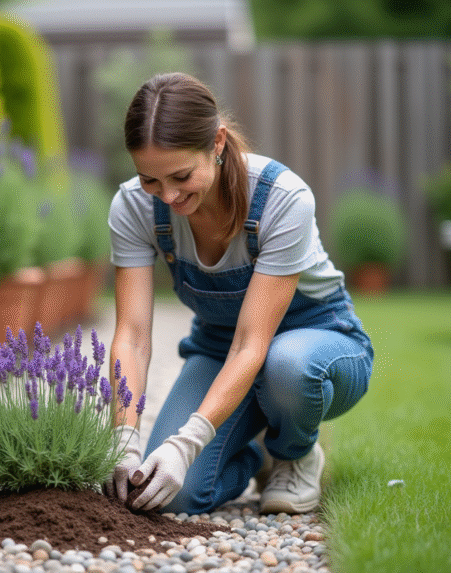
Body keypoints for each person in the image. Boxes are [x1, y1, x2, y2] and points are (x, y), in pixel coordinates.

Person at [103, 72, 373, 515]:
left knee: (287, 364)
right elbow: (131, 336)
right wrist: (124, 434)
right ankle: (252, 454)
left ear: (217, 143)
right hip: (220, 347)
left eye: (180, 175)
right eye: (150, 180)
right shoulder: (133, 206)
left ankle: (294, 452)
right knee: (174, 496)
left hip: (319, 342)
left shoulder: (283, 200)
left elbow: (255, 343)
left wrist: (188, 442)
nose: (167, 196)